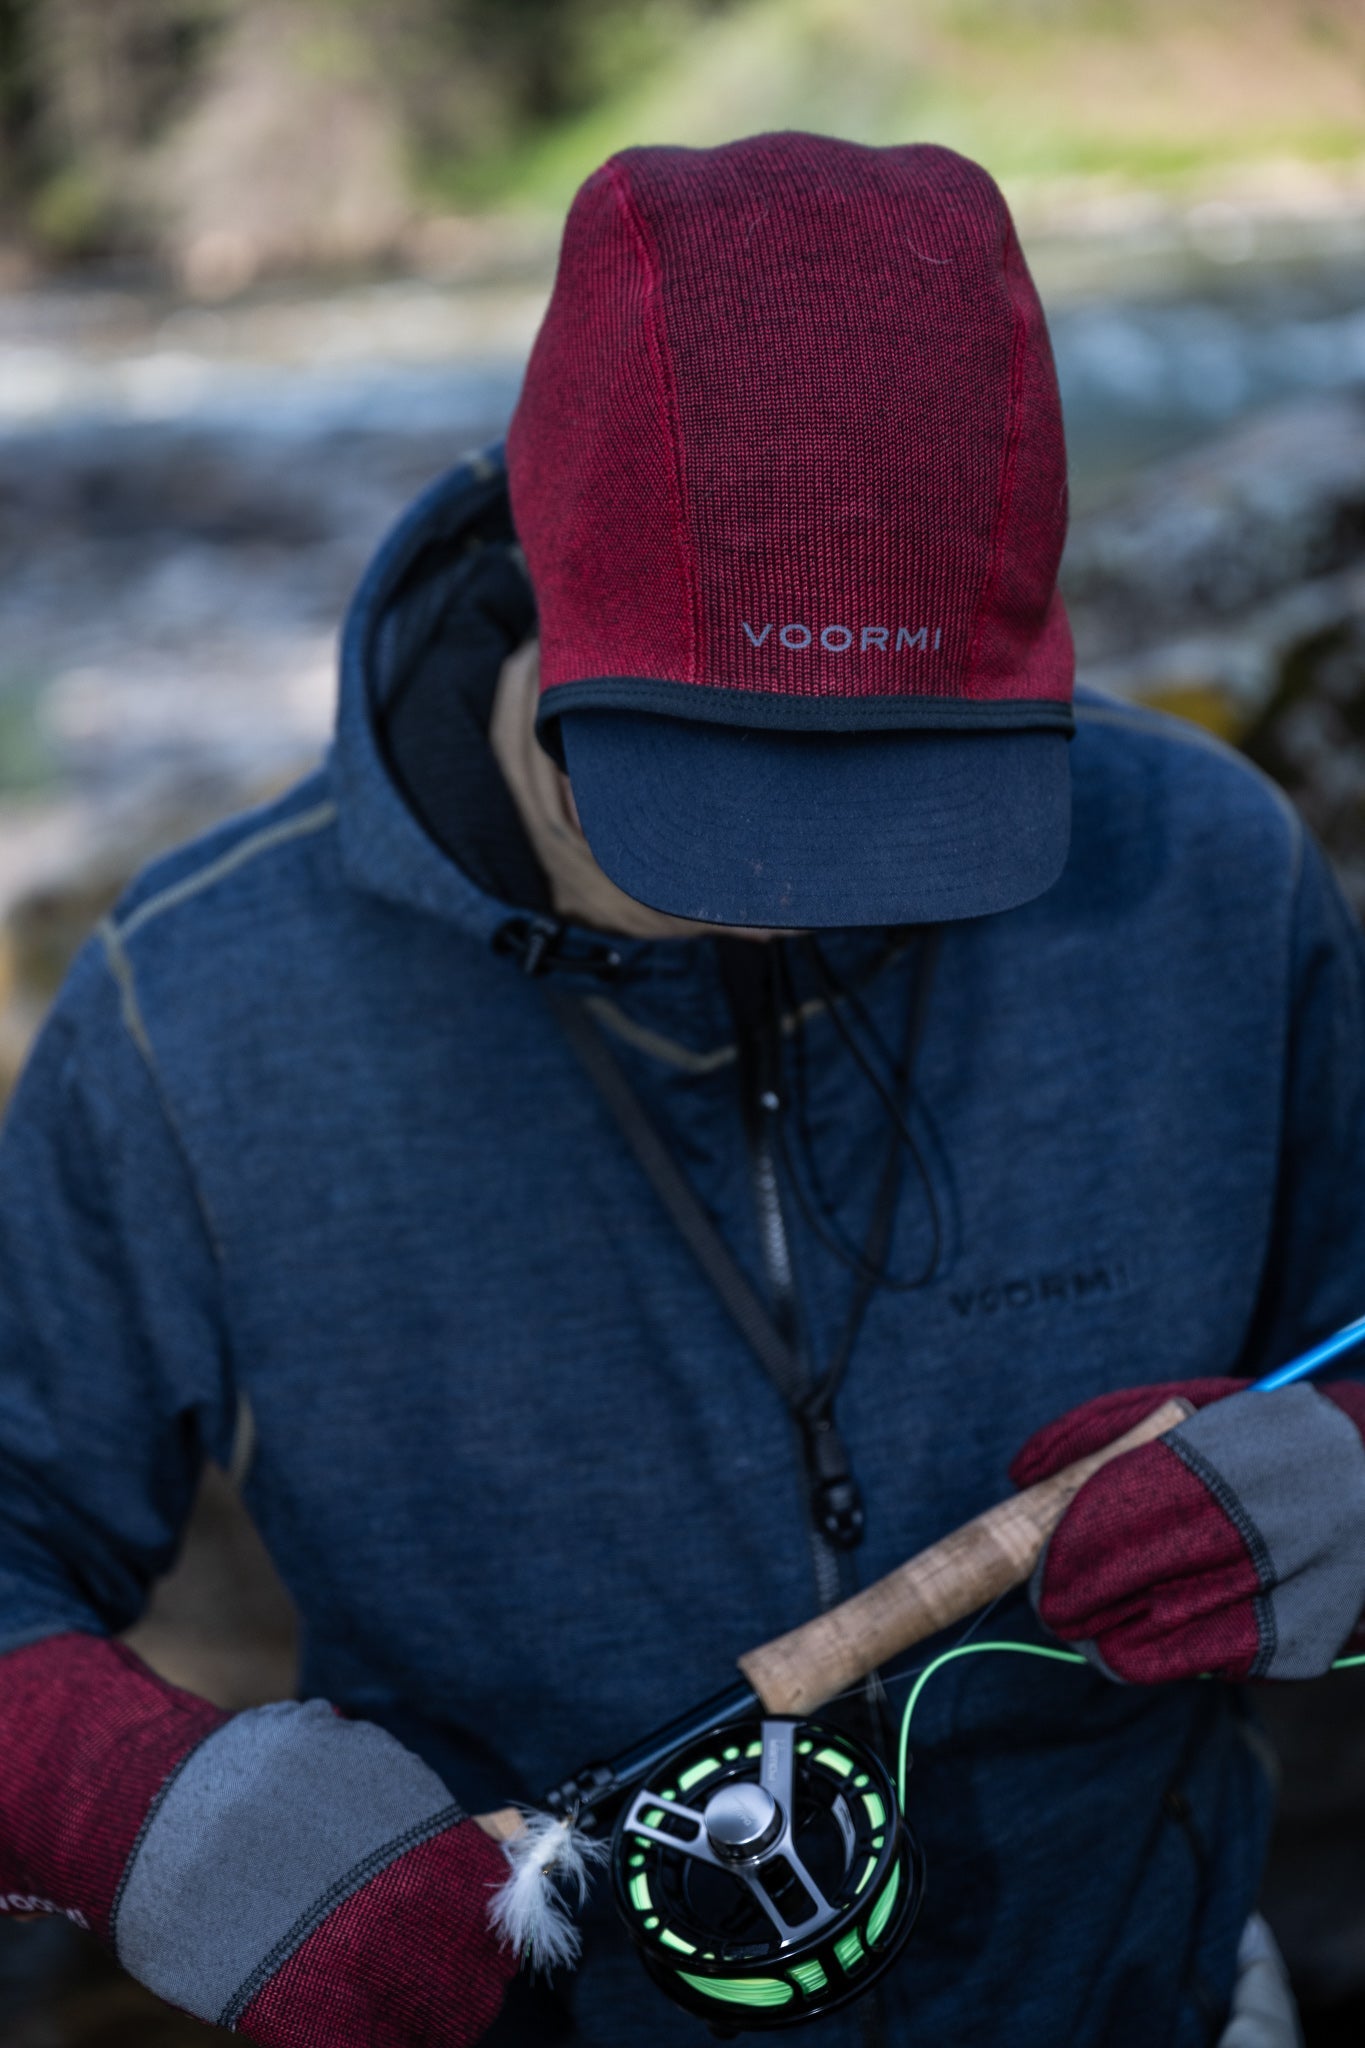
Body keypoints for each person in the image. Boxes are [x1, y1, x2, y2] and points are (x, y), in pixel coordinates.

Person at [0, 130, 1362, 2048]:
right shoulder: (190, 1003)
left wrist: (1353, 1479)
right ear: (542, 574)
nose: (796, 893)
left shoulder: (1209, 869)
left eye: (899, 814)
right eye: (716, 812)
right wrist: (117, 1801)